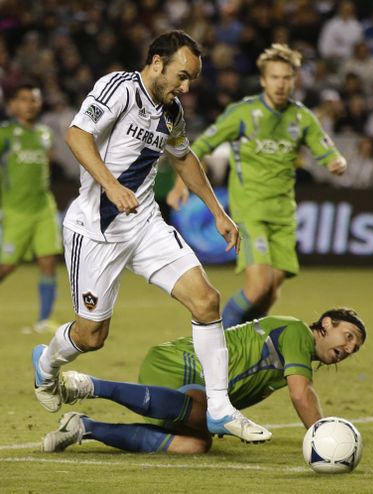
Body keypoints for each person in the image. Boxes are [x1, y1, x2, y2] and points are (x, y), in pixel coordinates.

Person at [31, 30, 269, 443]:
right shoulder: (118, 88)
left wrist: (218, 212)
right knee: (91, 337)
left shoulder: (172, 111)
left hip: (144, 224)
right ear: (156, 62)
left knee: (207, 300)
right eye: (181, 75)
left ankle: (219, 408)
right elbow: (76, 134)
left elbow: (182, 158)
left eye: (191, 78)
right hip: (97, 229)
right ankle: (47, 364)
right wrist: (109, 185)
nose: (186, 86)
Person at [168, 44, 347, 328]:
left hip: (283, 214)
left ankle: (243, 347)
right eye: (275, 77)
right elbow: (201, 145)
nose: (281, 84)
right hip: (250, 209)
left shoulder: (301, 118)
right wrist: (180, 184)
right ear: (263, 80)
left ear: (294, 80)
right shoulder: (243, 113)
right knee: (258, 285)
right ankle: (216, 345)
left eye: (287, 78)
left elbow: (327, 150)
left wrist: (336, 163)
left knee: (270, 291)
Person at [42, 307, 367, 454]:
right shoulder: (297, 332)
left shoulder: (294, 352)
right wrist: (325, 439)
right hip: (178, 364)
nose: (349, 348)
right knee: (207, 414)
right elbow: (302, 393)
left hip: (182, 390)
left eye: (355, 347)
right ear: (326, 323)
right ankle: (87, 385)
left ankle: (85, 428)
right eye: (348, 336)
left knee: (196, 444)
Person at [0, 83, 62, 333]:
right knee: (7, 265)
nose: (30, 104)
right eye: (24, 99)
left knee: (47, 261)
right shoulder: (5, 133)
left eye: (34, 100)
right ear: (13, 104)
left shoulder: (45, 134)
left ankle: (44, 320)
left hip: (44, 207)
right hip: (16, 210)